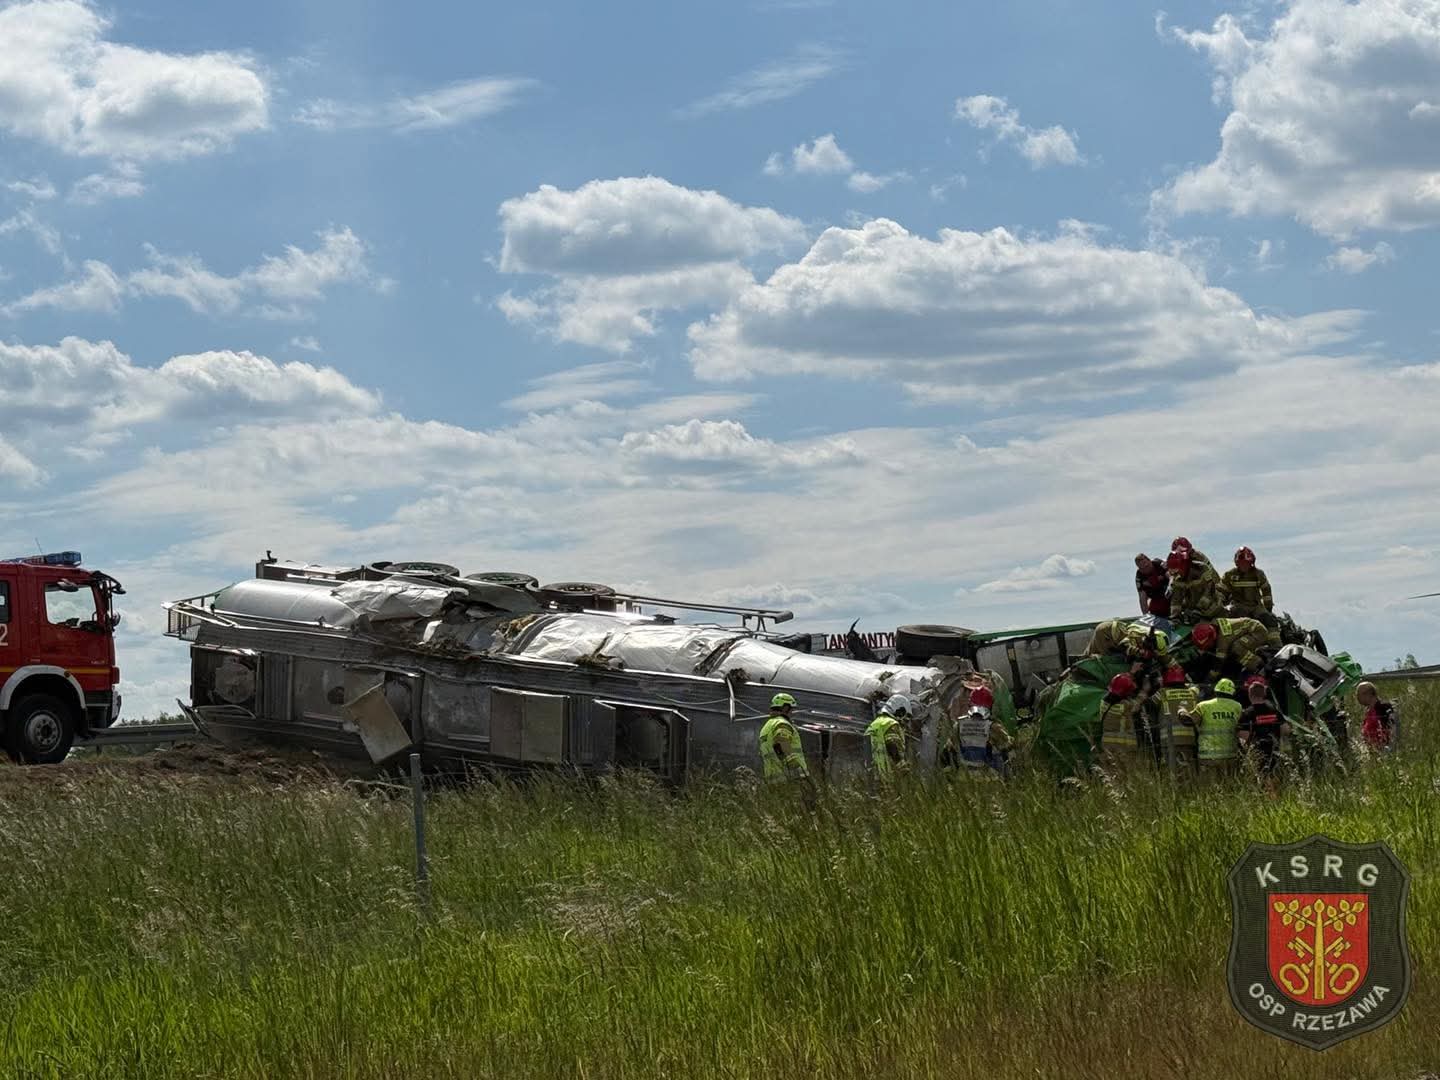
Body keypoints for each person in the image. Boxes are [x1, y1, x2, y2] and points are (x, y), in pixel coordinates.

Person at [1183, 676, 1243, 778]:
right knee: (1229, 788)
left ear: (1216, 690)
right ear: (1232, 692)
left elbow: (1189, 722)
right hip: (1230, 756)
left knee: (1208, 790)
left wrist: (1182, 712)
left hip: (1208, 757)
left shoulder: (1203, 706)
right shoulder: (1238, 706)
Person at [947, 685, 1012, 778]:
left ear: (970, 704)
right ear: (990, 705)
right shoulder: (993, 727)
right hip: (990, 778)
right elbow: (1008, 748)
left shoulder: (958, 725)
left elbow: (950, 750)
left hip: (964, 778)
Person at [759, 693, 815, 796]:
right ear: (785, 708)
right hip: (790, 778)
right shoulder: (782, 723)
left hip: (773, 778)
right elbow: (780, 744)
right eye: (791, 710)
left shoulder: (766, 727)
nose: (792, 713)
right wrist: (796, 770)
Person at [1149, 664, 1200, 772]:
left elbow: (1149, 704)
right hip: (1189, 738)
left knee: (1172, 770)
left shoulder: (1162, 692)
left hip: (1168, 739)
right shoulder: (1193, 692)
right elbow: (1197, 687)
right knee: (1188, 770)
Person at [1239, 676, 1289, 784]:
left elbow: (1243, 734)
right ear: (1264, 694)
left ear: (1249, 694)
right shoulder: (1274, 710)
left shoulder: (1247, 713)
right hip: (1274, 748)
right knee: (1273, 774)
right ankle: (1275, 796)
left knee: (1259, 776)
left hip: (1257, 750)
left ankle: (1266, 796)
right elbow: (1286, 729)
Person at [1190, 618, 1272, 678]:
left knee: (1236, 649)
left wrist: (1210, 678)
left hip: (1257, 631)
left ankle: (1260, 667)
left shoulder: (1223, 639)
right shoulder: (1212, 626)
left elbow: (1218, 663)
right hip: (1245, 631)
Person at [1167, 547, 1227, 622]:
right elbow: (1176, 599)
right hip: (1193, 613)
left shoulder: (1202, 569)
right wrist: (1175, 616)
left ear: (1183, 565)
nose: (1175, 574)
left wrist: (1198, 610)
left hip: (1213, 609)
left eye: (1176, 570)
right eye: (1172, 571)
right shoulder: (1177, 578)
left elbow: (1209, 592)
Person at [1098, 673, 1143, 768]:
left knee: (1112, 775)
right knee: (1127, 776)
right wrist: (1144, 690)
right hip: (1125, 747)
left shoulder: (1103, 703)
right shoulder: (1125, 706)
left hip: (1107, 745)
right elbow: (1138, 702)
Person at [866, 693, 911, 784]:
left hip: (872, 773)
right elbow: (891, 743)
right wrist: (901, 765)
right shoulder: (891, 724)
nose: (905, 721)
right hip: (887, 773)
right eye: (906, 716)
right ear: (900, 711)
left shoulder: (874, 724)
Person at [1222, 547, 1274, 619]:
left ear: (1251, 563)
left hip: (1256, 607)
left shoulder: (1258, 574)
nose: (1243, 565)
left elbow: (1266, 591)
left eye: (1246, 563)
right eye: (1241, 563)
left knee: (1270, 621)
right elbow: (1221, 591)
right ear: (1237, 563)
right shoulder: (1230, 575)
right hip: (1237, 607)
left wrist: (1268, 609)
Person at [1355, 681, 1398, 752]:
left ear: (1368, 694)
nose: (1357, 698)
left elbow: (1393, 726)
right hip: (1373, 751)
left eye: (1359, 694)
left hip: (1384, 750)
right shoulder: (1368, 712)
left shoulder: (1384, 707)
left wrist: (1390, 747)